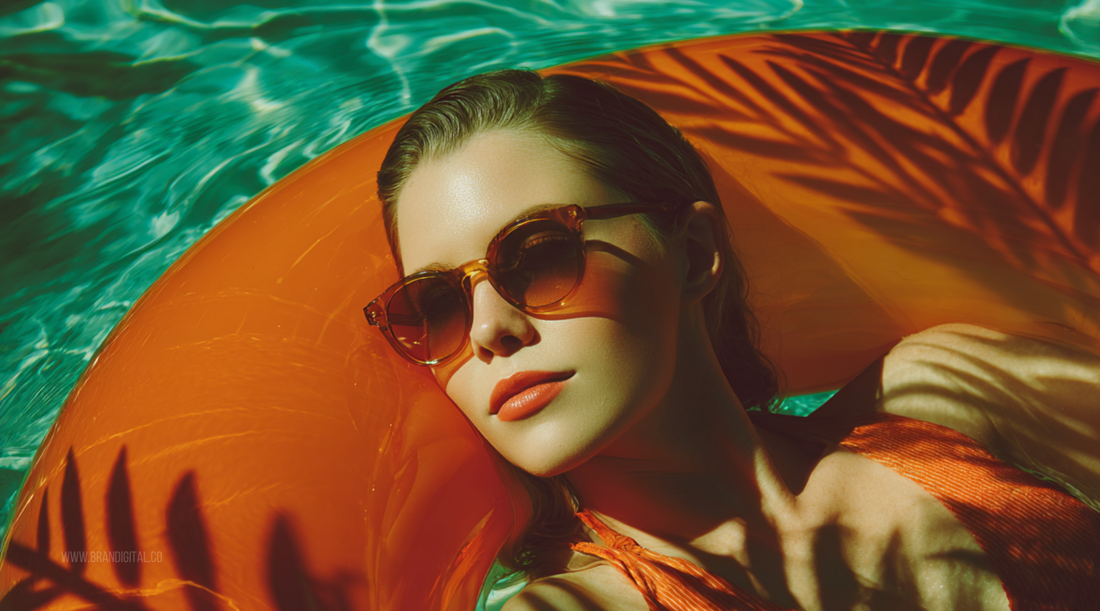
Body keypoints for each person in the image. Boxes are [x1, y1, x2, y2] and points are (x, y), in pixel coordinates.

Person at [364, 68, 1100, 610]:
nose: (488, 330)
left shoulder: (956, 393)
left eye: (536, 256)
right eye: (437, 304)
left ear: (693, 253)